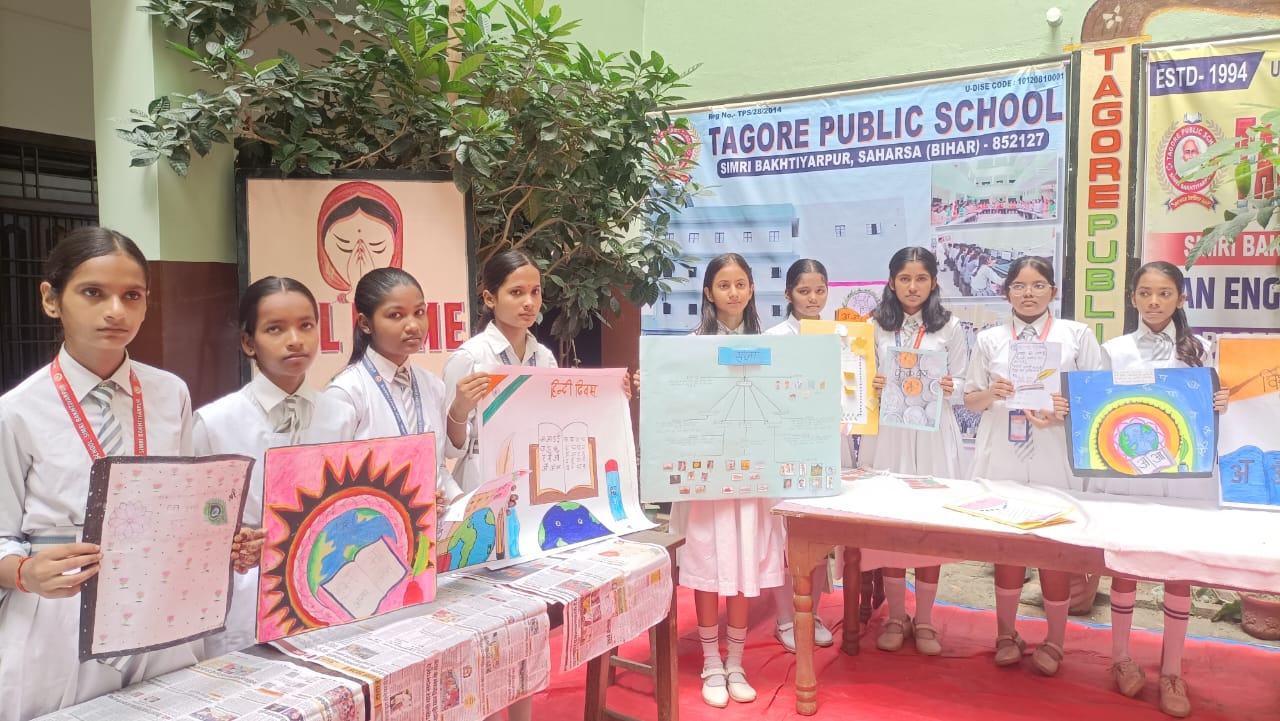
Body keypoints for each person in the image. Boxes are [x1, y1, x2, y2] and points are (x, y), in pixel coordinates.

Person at [0, 227, 206, 720]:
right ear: (51, 299)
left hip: (158, 601)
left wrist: (217, 532)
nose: (116, 311)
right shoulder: (18, 411)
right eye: (93, 293)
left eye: (132, 295)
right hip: (61, 608)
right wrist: (24, 572)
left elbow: (187, 499)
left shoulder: (170, 393)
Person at [193, 277, 356, 658]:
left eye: (306, 325)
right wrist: (231, 537)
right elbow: (201, 512)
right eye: (275, 329)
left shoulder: (340, 416)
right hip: (245, 589)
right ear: (248, 342)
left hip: (324, 579)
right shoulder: (214, 423)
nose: (295, 340)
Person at [1098, 261, 1228, 718]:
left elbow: (1212, 412)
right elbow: (1100, 406)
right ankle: (1120, 657)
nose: (1154, 302)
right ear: (1133, 297)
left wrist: (1221, 402)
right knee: (1125, 563)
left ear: (1181, 298)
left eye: (1165, 293)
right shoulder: (1113, 350)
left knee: (1178, 567)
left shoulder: (1202, 349)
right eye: (1145, 293)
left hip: (1183, 473)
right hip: (1129, 469)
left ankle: (1172, 669)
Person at [962, 256, 1102, 677]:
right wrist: (992, 392)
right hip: (1002, 453)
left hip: (1054, 452)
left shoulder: (1076, 335)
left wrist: (1064, 409)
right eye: (1019, 286)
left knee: (1053, 549)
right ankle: (1006, 634)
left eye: (1038, 285)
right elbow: (971, 400)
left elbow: (1098, 397)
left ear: (1053, 291)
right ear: (1006, 292)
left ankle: (1055, 640)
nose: (1028, 293)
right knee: (1007, 548)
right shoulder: (989, 340)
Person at [670, 253, 784, 708]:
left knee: (743, 567)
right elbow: (676, 407)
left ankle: (735, 661)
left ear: (752, 289)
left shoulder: (770, 346)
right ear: (708, 292)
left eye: (740, 284)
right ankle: (710, 663)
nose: (733, 293)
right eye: (723, 285)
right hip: (707, 479)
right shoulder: (691, 346)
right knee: (706, 564)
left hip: (752, 478)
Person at [861, 247, 967, 656]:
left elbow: (964, 383)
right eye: (904, 278)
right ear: (891, 282)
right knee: (890, 522)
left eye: (921, 278)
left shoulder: (950, 326)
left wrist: (950, 386)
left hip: (933, 432)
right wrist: (871, 383)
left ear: (934, 282)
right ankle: (895, 615)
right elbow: (859, 378)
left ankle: (924, 618)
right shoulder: (874, 326)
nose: (912, 286)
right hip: (889, 432)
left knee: (927, 526)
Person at [323, 267, 490, 505]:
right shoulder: (346, 393)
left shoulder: (431, 385)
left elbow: (438, 469)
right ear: (365, 323)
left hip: (435, 522)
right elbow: (332, 484)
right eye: (396, 315)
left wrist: (466, 505)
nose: (413, 325)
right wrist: (404, 507)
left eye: (419, 312)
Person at [762, 259, 836, 653]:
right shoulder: (773, 337)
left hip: (825, 445)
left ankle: (813, 612)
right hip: (785, 445)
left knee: (820, 534)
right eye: (804, 291)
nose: (812, 298)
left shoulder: (840, 336)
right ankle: (785, 618)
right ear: (788, 293)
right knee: (785, 535)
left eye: (819, 290)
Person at [443, 250, 558, 493]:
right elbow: (451, 450)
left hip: (535, 477)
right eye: (516, 292)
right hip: (481, 481)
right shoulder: (470, 357)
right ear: (489, 298)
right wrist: (459, 410)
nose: (529, 302)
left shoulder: (544, 358)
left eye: (535, 291)